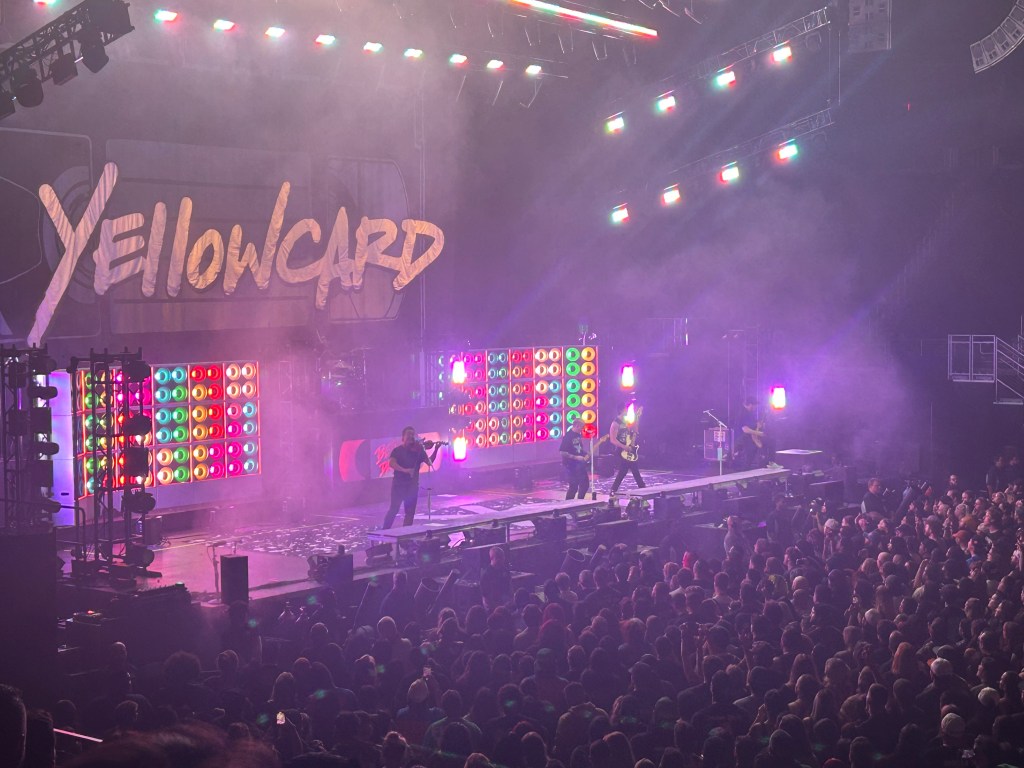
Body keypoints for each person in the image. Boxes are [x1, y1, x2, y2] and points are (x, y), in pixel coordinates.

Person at [383, 427, 442, 529]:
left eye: (412, 434)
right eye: (408, 434)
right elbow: (392, 463)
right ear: (403, 438)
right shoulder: (397, 451)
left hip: (412, 487)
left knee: (410, 513)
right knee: (394, 510)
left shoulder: (418, 451)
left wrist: (436, 449)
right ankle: (384, 532)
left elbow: (429, 462)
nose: (411, 436)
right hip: (398, 486)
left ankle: (405, 533)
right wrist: (404, 470)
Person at [609, 403, 645, 496]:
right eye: (626, 409)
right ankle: (642, 487)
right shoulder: (615, 423)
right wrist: (623, 446)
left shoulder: (626, 421)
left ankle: (613, 489)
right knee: (627, 470)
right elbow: (613, 439)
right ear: (621, 410)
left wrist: (637, 418)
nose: (627, 411)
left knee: (629, 470)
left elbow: (634, 430)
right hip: (621, 449)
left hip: (629, 447)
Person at [559, 416, 590, 500]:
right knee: (573, 487)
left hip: (580, 465)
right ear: (577, 426)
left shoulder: (578, 435)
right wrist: (576, 457)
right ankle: (568, 503)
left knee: (585, 484)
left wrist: (585, 453)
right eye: (581, 427)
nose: (582, 429)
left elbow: (578, 448)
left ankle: (580, 501)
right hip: (570, 465)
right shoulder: (568, 436)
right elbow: (562, 452)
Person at [735, 397, 765, 470]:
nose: (755, 408)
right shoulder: (742, 413)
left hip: (749, 440)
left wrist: (758, 425)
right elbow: (745, 429)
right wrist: (759, 433)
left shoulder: (750, 413)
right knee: (746, 462)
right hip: (743, 441)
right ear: (751, 405)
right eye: (755, 406)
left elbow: (753, 425)